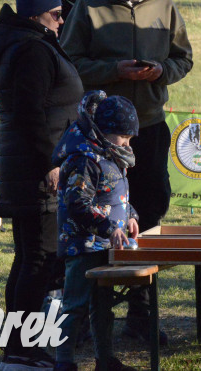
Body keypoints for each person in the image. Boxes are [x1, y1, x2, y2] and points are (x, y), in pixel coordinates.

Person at [60, 0, 193, 343]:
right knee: (93, 215)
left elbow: (184, 58)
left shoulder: (165, 6)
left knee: (149, 211)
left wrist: (160, 71)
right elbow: (69, 62)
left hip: (148, 128)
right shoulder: (89, 6)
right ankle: (85, 317)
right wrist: (113, 70)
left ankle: (141, 313)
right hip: (98, 138)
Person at [0, 0, 84, 371]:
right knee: (38, 259)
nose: (61, 21)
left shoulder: (24, 45)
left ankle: (17, 348)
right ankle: (22, 349)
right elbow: (30, 114)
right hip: (37, 169)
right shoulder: (32, 50)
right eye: (56, 14)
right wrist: (51, 164)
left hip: (25, 166)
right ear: (37, 15)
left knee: (28, 258)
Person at [54, 92, 141, 371]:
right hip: (82, 246)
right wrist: (108, 226)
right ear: (104, 131)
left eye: (130, 139)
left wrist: (129, 216)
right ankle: (63, 362)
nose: (127, 144)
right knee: (74, 306)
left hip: (103, 245)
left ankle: (105, 360)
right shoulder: (85, 159)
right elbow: (77, 203)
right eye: (123, 137)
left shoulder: (109, 155)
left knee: (103, 307)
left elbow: (113, 196)